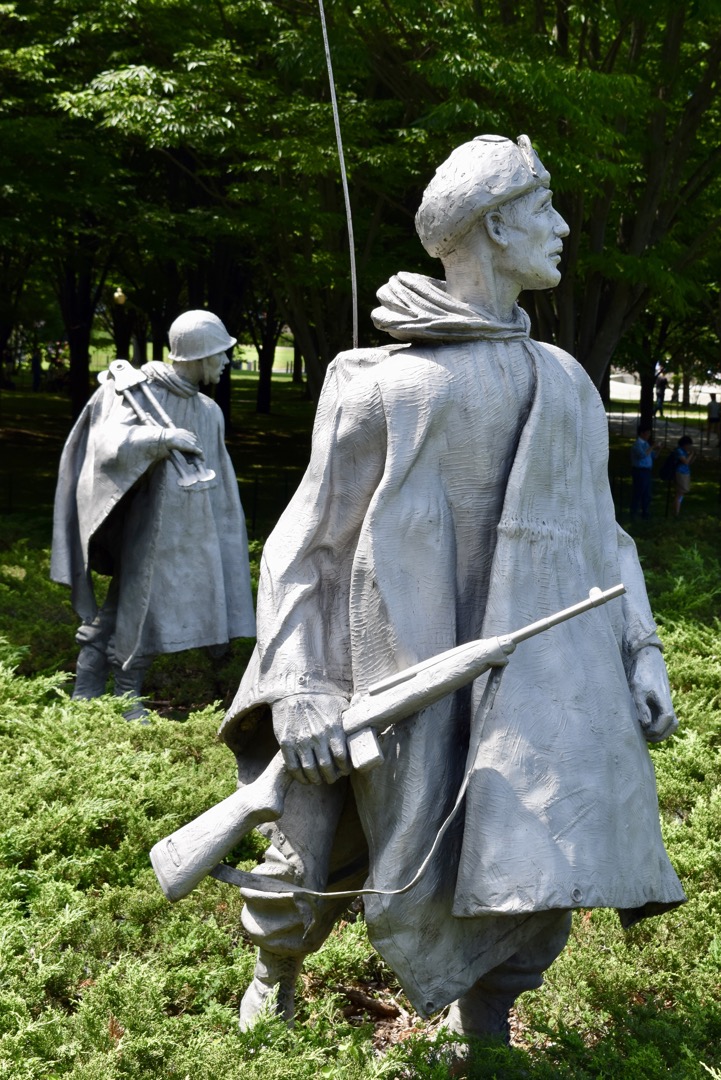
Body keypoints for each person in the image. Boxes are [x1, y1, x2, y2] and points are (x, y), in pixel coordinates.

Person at [220, 136, 684, 1046]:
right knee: (308, 850)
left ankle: (486, 1017)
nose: (558, 229)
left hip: (535, 686)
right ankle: (275, 972)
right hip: (388, 680)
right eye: (543, 208)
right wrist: (300, 688)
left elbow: (605, 535)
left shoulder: (566, 385)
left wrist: (642, 648)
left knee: (532, 850)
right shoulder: (380, 386)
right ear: (493, 224)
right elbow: (303, 548)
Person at [51, 310, 256, 719]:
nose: (227, 362)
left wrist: (219, 538)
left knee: (127, 604)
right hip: (144, 526)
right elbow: (110, 445)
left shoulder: (209, 412)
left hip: (185, 532)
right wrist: (162, 437)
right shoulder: (136, 392)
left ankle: (88, 690)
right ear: (200, 355)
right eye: (222, 354)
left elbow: (221, 484)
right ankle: (124, 697)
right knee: (145, 606)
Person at [630, 423, 658, 519]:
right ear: (642, 433)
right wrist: (652, 447)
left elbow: (653, 455)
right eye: (647, 433)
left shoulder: (646, 444)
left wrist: (658, 449)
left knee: (647, 492)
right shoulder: (637, 444)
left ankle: (645, 511)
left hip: (647, 471)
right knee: (639, 491)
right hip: (639, 470)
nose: (649, 436)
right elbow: (642, 455)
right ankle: (634, 511)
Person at [671, 435, 696, 517]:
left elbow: (689, 463)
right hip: (680, 472)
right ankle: (676, 512)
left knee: (681, 492)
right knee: (680, 492)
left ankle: (676, 508)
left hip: (685, 472)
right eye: (689, 445)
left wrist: (693, 456)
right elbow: (685, 461)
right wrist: (691, 454)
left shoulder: (684, 452)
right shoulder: (679, 451)